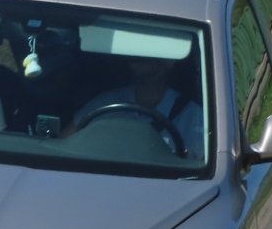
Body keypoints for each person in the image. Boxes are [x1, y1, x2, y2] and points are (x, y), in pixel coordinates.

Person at [75, 56, 203, 156]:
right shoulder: (106, 102)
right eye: (137, 59)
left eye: (154, 59)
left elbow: (202, 162)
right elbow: (67, 142)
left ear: (169, 64)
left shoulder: (193, 114)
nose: (146, 65)